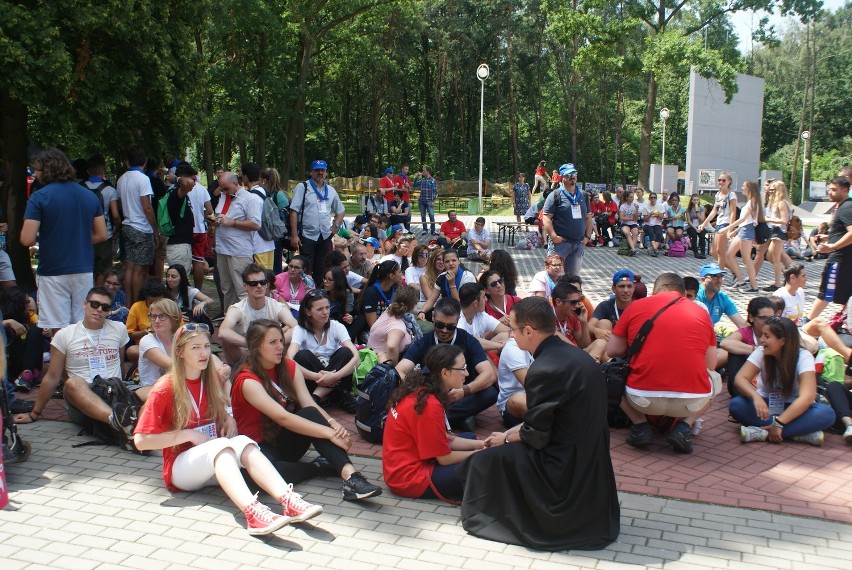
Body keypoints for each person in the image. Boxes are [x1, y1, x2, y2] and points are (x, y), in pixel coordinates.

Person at [457, 296, 619, 551]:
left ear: (529, 331)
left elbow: (537, 436)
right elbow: (553, 419)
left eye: (513, 328)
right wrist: (515, 430)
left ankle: (488, 516)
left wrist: (505, 439)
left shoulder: (545, 368)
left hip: (562, 466)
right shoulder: (576, 357)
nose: (511, 334)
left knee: (483, 461)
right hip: (590, 460)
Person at [133, 323, 322, 535]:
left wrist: (228, 418)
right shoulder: (166, 386)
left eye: (206, 346)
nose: (204, 353)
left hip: (212, 461)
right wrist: (188, 435)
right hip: (180, 467)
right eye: (195, 348)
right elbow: (141, 440)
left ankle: (288, 500)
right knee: (221, 447)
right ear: (179, 352)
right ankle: (252, 512)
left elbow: (221, 409)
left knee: (243, 442)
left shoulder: (209, 378)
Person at [231, 320, 381, 500]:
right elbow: (283, 417)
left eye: (281, 341)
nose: (280, 347)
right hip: (257, 448)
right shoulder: (247, 380)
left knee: (309, 413)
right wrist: (327, 432)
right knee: (257, 476)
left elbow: (309, 404)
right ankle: (318, 467)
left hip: (283, 440)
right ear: (256, 347)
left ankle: (352, 478)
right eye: (272, 342)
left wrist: (334, 426)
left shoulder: (287, 366)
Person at [607, 273, 720, 454]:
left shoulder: (636, 306)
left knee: (608, 374)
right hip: (692, 401)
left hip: (640, 398)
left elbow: (612, 351)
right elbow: (711, 364)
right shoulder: (701, 312)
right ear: (683, 293)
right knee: (715, 379)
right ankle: (684, 427)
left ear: (655, 290)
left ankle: (639, 425)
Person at [14, 287, 133, 439]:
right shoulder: (65, 334)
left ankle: (126, 424)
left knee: (155, 388)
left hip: (114, 394)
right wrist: (34, 414)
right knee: (72, 383)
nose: (99, 310)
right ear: (85, 304)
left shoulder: (119, 329)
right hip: (83, 397)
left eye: (105, 307)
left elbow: (121, 365)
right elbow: (52, 377)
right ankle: (122, 423)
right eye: (94, 304)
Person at [383, 344, 486, 502]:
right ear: (444, 372)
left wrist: (481, 444)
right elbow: (444, 459)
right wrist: (479, 454)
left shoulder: (420, 389)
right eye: (463, 368)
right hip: (410, 478)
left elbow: (441, 437)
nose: (466, 373)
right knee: (482, 465)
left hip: (399, 469)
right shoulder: (430, 404)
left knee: (472, 438)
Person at [21, 149, 106, 329]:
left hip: (53, 269)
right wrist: (77, 240)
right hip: (82, 269)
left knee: (57, 329)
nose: (35, 174)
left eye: (37, 170)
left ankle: (59, 358)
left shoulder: (39, 197)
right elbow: (101, 234)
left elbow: (27, 239)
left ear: (48, 169)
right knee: (81, 327)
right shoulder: (89, 196)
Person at [397, 298, 497, 433]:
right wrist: (421, 393)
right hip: (432, 397)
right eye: (439, 325)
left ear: (457, 322)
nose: (444, 330)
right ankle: (458, 418)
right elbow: (400, 370)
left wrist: (464, 391)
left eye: (450, 327)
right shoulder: (424, 341)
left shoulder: (468, 340)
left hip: (462, 395)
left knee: (490, 393)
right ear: (432, 317)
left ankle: (438, 419)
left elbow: (489, 374)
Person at [731, 317, 835, 446]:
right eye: (762, 334)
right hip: (767, 406)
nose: (761, 339)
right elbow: (740, 378)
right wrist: (755, 396)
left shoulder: (803, 356)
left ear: (782, 341)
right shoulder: (761, 351)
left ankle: (762, 433)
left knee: (826, 414)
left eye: (767, 336)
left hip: (796, 409)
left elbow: (807, 398)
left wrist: (779, 423)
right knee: (737, 405)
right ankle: (799, 433)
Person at [286, 290, 359, 412]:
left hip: (336, 380)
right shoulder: (300, 329)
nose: (325, 312)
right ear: (308, 312)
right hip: (314, 381)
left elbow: (356, 358)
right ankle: (320, 395)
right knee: (302, 356)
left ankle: (316, 397)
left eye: (327, 307)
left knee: (346, 352)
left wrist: (334, 376)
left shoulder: (337, 326)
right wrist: (318, 377)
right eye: (319, 309)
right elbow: (289, 359)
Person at [218, 264, 298, 365]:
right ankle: (237, 371)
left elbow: (295, 326)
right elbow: (223, 332)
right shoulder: (237, 308)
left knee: (294, 336)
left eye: (262, 282)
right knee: (227, 341)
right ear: (245, 286)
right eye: (253, 283)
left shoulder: (277, 306)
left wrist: (273, 343)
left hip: (272, 352)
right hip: (246, 353)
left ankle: (283, 368)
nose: (259, 286)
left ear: (267, 285)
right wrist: (254, 344)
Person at [114, 147, 160, 304]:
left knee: (130, 267)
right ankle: (136, 304)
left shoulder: (121, 179)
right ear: (145, 161)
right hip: (141, 227)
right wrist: (155, 230)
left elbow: (120, 204)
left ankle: (128, 303)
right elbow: (147, 207)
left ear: (128, 161)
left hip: (127, 225)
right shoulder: (143, 179)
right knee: (139, 270)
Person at [289, 160, 346, 285]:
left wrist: (335, 227)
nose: (320, 173)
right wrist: (294, 235)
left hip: (325, 235)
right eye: (317, 170)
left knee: (322, 269)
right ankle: (305, 294)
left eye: (322, 170)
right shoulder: (303, 187)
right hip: (307, 235)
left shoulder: (331, 190)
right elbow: (293, 211)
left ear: (326, 172)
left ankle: (319, 294)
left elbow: (341, 211)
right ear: (311, 172)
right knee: (305, 268)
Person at [214, 172, 262, 308]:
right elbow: (222, 216)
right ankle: (229, 318)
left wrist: (233, 222)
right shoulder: (224, 196)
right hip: (222, 249)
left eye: (226, 188)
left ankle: (246, 322)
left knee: (242, 289)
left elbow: (256, 225)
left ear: (236, 183)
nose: (223, 191)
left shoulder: (249, 199)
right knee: (226, 288)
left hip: (239, 251)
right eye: (221, 188)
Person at [807, 176, 852, 321]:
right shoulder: (844, 206)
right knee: (845, 294)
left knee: (826, 291)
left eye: (834, 189)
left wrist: (832, 246)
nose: (830, 192)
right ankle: (844, 321)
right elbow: (844, 232)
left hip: (840, 259)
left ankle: (806, 323)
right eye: (829, 189)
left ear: (845, 190)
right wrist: (827, 237)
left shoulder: (846, 208)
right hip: (844, 258)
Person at [541, 163, 592, 276]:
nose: (572, 176)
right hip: (560, 244)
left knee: (573, 279)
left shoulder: (583, 195)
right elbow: (546, 217)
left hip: (578, 244)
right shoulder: (555, 195)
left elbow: (588, 217)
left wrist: (587, 237)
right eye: (569, 174)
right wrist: (554, 236)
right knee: (553, 276)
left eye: (574, 173)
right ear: (562, 177)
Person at [720, 296, 776, 395]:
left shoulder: (778, 333)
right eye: (763, 318)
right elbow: (725, 343)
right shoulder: (747, 332)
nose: (768, 322)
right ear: (751, 317)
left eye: (771, 318)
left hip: (769, 382)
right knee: (735, 354)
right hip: (745, 382)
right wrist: (757, 350)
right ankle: (741, 394)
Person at [84, 154, 121, 285]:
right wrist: (118, 229)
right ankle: (98, 293)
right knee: (103, 268)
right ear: (102, 170)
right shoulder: (110, 190)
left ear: (88, 171)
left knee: (86, 266)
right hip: (105, 234)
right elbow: (115, 215)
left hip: (84, 234)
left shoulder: (81, 188)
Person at [137, 298, 183, 400]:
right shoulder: (147, 341)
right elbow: (171, 365)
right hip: (152, 392)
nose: (156, 321)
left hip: (176, 388)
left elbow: (206, 353)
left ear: (174, 318)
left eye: (162, 316)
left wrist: (224, 367)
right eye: (153, 316)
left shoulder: (180, 338)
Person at [551, 280, 606, 362]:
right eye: (573, 302)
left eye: (578, 301)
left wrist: (583, 322)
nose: (577, 306)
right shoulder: (546, 315)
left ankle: (587, 366)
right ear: (558, 302)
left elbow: (584, 345)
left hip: (574, 355)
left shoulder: (572, 316)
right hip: (555, 357)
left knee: (601, 343)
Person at [724, 180, 764, 292]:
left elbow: (743, 220)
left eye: (744, 186)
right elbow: (745, 221)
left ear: (749, 189)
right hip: (743, 230)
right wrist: (735, 231)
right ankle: (740, 281)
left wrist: (727, 228)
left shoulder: (753, 202)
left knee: (746, 260)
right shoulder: (750, 201)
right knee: (729, 255)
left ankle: (754, 286)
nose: (742, 188)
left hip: (747, 232)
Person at [367, 285, 419, 364]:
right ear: (412, 305)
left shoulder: (391, 308)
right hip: (379, 361)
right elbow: (392, 347)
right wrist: (395, 369)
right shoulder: (397, 326)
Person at [417, 250, 476, 318]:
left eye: (454, 260)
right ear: (444, 264)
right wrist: (422, 312)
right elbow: (431, 299)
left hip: (465, 313)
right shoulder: (442, 277)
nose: (451, 263)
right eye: (447, 261)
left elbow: (460, 305)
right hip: (448, 311)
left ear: (458, 261)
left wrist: (452, 285)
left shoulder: (468, 277)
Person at [699, 171, 738, 273]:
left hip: (726, 223)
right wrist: (704, 223)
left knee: (720, 252)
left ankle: (719, 275)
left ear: (729, 182)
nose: (721, 182)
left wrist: (730, 228)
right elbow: (714, 211)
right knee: (713, 253)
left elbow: (733, 212)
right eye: (719, 180)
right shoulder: (718, 195)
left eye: (723, 180)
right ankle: (735, 272)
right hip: (719, 223)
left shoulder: (731, 195)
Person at [759, 180, 794, 291]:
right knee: (770, 256)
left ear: (779, 190)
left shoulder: (781, 203)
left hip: (779, 231)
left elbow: (784, 220)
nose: (770, 192)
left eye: (773, 190)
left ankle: (778, 283)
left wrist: (769, 219)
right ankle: (788, 276)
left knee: (776, 258)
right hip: (775, 231)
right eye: (770, 190)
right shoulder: (777, 202)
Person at [458, 283, 510, 353]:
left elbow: (507, 330)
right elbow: (472, 341)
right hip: (464, 358)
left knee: (506, 336)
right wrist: (499, 345)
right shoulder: (457, 321)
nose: (486, 299)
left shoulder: (481, 315)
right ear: (475, 303)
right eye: (483, 297)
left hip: (479, 353)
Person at [695, 263, 747, 328]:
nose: (719, 280)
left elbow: (742, 324)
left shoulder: (722, 298)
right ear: (703, 280)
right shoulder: (694, 296)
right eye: (715, 276)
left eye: (721, 276)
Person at [588, 269, 635, 341]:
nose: (626, 290)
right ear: (613, 289)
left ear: (634, 288)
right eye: (621, 286)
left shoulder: (639, 306)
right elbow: (589, 326)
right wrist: (596, 331)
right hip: (610, 344)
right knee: (604, 323)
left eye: (629, 286)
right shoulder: (605, 306)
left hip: (631, 344)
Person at [260, 167, 290, 274]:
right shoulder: (269, 194)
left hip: (276, 237)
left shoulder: (279, 195)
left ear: (264, 180)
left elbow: (285, 217)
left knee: (275, 267)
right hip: (269, 236)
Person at [360, 259, 402, 329]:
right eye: (400, 272)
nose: (402, 275)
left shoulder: (396, 289)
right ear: (391, 276)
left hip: (393, 326)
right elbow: (372, 324)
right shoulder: (371, 292)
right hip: (373, 331)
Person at [639, 191, 665, 256]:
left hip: (657, 224)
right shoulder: (646, 207)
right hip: (648, 224)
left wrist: (658, 214)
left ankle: (653, 249)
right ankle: (655, 250)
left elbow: (662, 217)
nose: (653, 199)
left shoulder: (660, 206)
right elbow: (645, 219)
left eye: (654, 198)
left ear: (656, 198)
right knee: (651, 232)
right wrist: (650, 215)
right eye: (651, 197)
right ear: (649, 199)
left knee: (659, 233)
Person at [415, 166, 438, 235]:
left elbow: (435, 192)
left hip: (429, 201)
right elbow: (415, 184)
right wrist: (416, 177)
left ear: (428, 172)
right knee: (423, 216)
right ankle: (425, 229)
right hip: (421, 200)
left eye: (424, 171)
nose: (422, 172)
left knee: (431, 215)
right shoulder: (422, 180)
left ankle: (433, 230)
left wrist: (433, 201)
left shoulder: (433, 180)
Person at [685, 193, 707, 259]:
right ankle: (696, 252)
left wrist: (697, 213)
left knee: (702, 235)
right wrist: (695, 228)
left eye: (697, 200)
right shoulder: (688, 209)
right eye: (694, 200)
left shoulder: (701, 208)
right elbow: (689, 221)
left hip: (700, 225)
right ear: (691, 200)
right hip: (691, 226)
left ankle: (703, 253)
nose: (696, 201)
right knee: (694, 235)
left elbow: (702, 220)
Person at [618, 190, 640, 254]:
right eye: (630, 197)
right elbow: (621, 218)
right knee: (627, 233)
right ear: (626, 198)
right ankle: (633, 249)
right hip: (625, 223)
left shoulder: (634, 205)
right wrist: (629, 219)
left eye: (633, 197)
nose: (632, 199)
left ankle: (632, 250)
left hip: (633, 223)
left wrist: (637, 210)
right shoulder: (623, 206)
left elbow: (635, 219)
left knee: (635, 233)